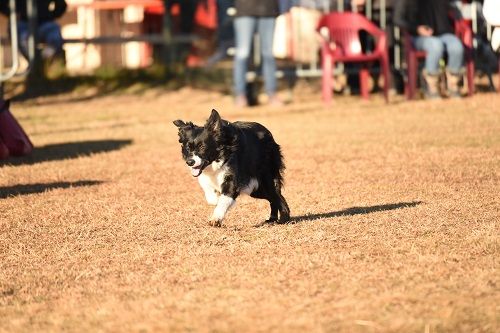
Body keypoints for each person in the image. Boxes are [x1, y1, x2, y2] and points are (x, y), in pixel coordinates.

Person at [394, 0, 465, 99]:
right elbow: (397, 19)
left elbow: (454, 9)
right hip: (417, 36)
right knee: (436, 46)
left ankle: (453, 85)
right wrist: (416, 29)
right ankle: (431, 87)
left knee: (457, 46)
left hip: (443, 33)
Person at [233, 0, 281, 107]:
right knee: (242, 53)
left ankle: (272, 93)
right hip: (244, 9)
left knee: (268, 53)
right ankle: (240, 95)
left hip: (268, 9)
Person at [0, 0, 67, 61]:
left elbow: (61, 4)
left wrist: (50, 15)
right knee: (23, 39)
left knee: (54, 34)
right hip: (22, 23)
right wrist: (12, 14)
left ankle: (42, 60)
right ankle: (34, 63)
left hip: (44, 23)